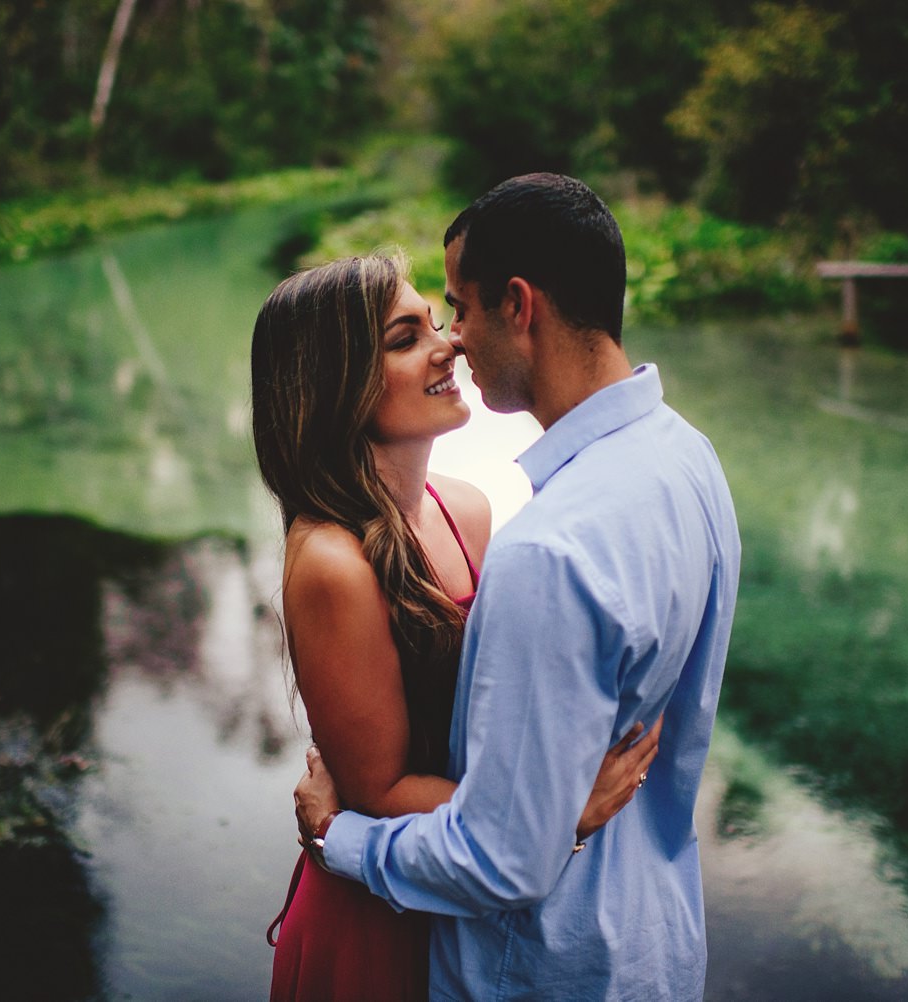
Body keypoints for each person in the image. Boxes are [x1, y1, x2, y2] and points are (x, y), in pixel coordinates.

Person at [294, 173, 742, 1000]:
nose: (454, 341)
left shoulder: (547, 550)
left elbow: (504, 858)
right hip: (655, 943)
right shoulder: (689, 460)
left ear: (519, 305)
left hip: (543, 966)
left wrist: (338, 839)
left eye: (456, 310)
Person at [251, 253, 662, 1001]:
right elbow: (377, 791)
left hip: (464, 893)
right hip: (378, 916)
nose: (448, 346)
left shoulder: (465, 507)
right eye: (406, 338)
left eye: (437, 323)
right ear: (336, 380)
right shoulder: (332, 562)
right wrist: (552, 811)